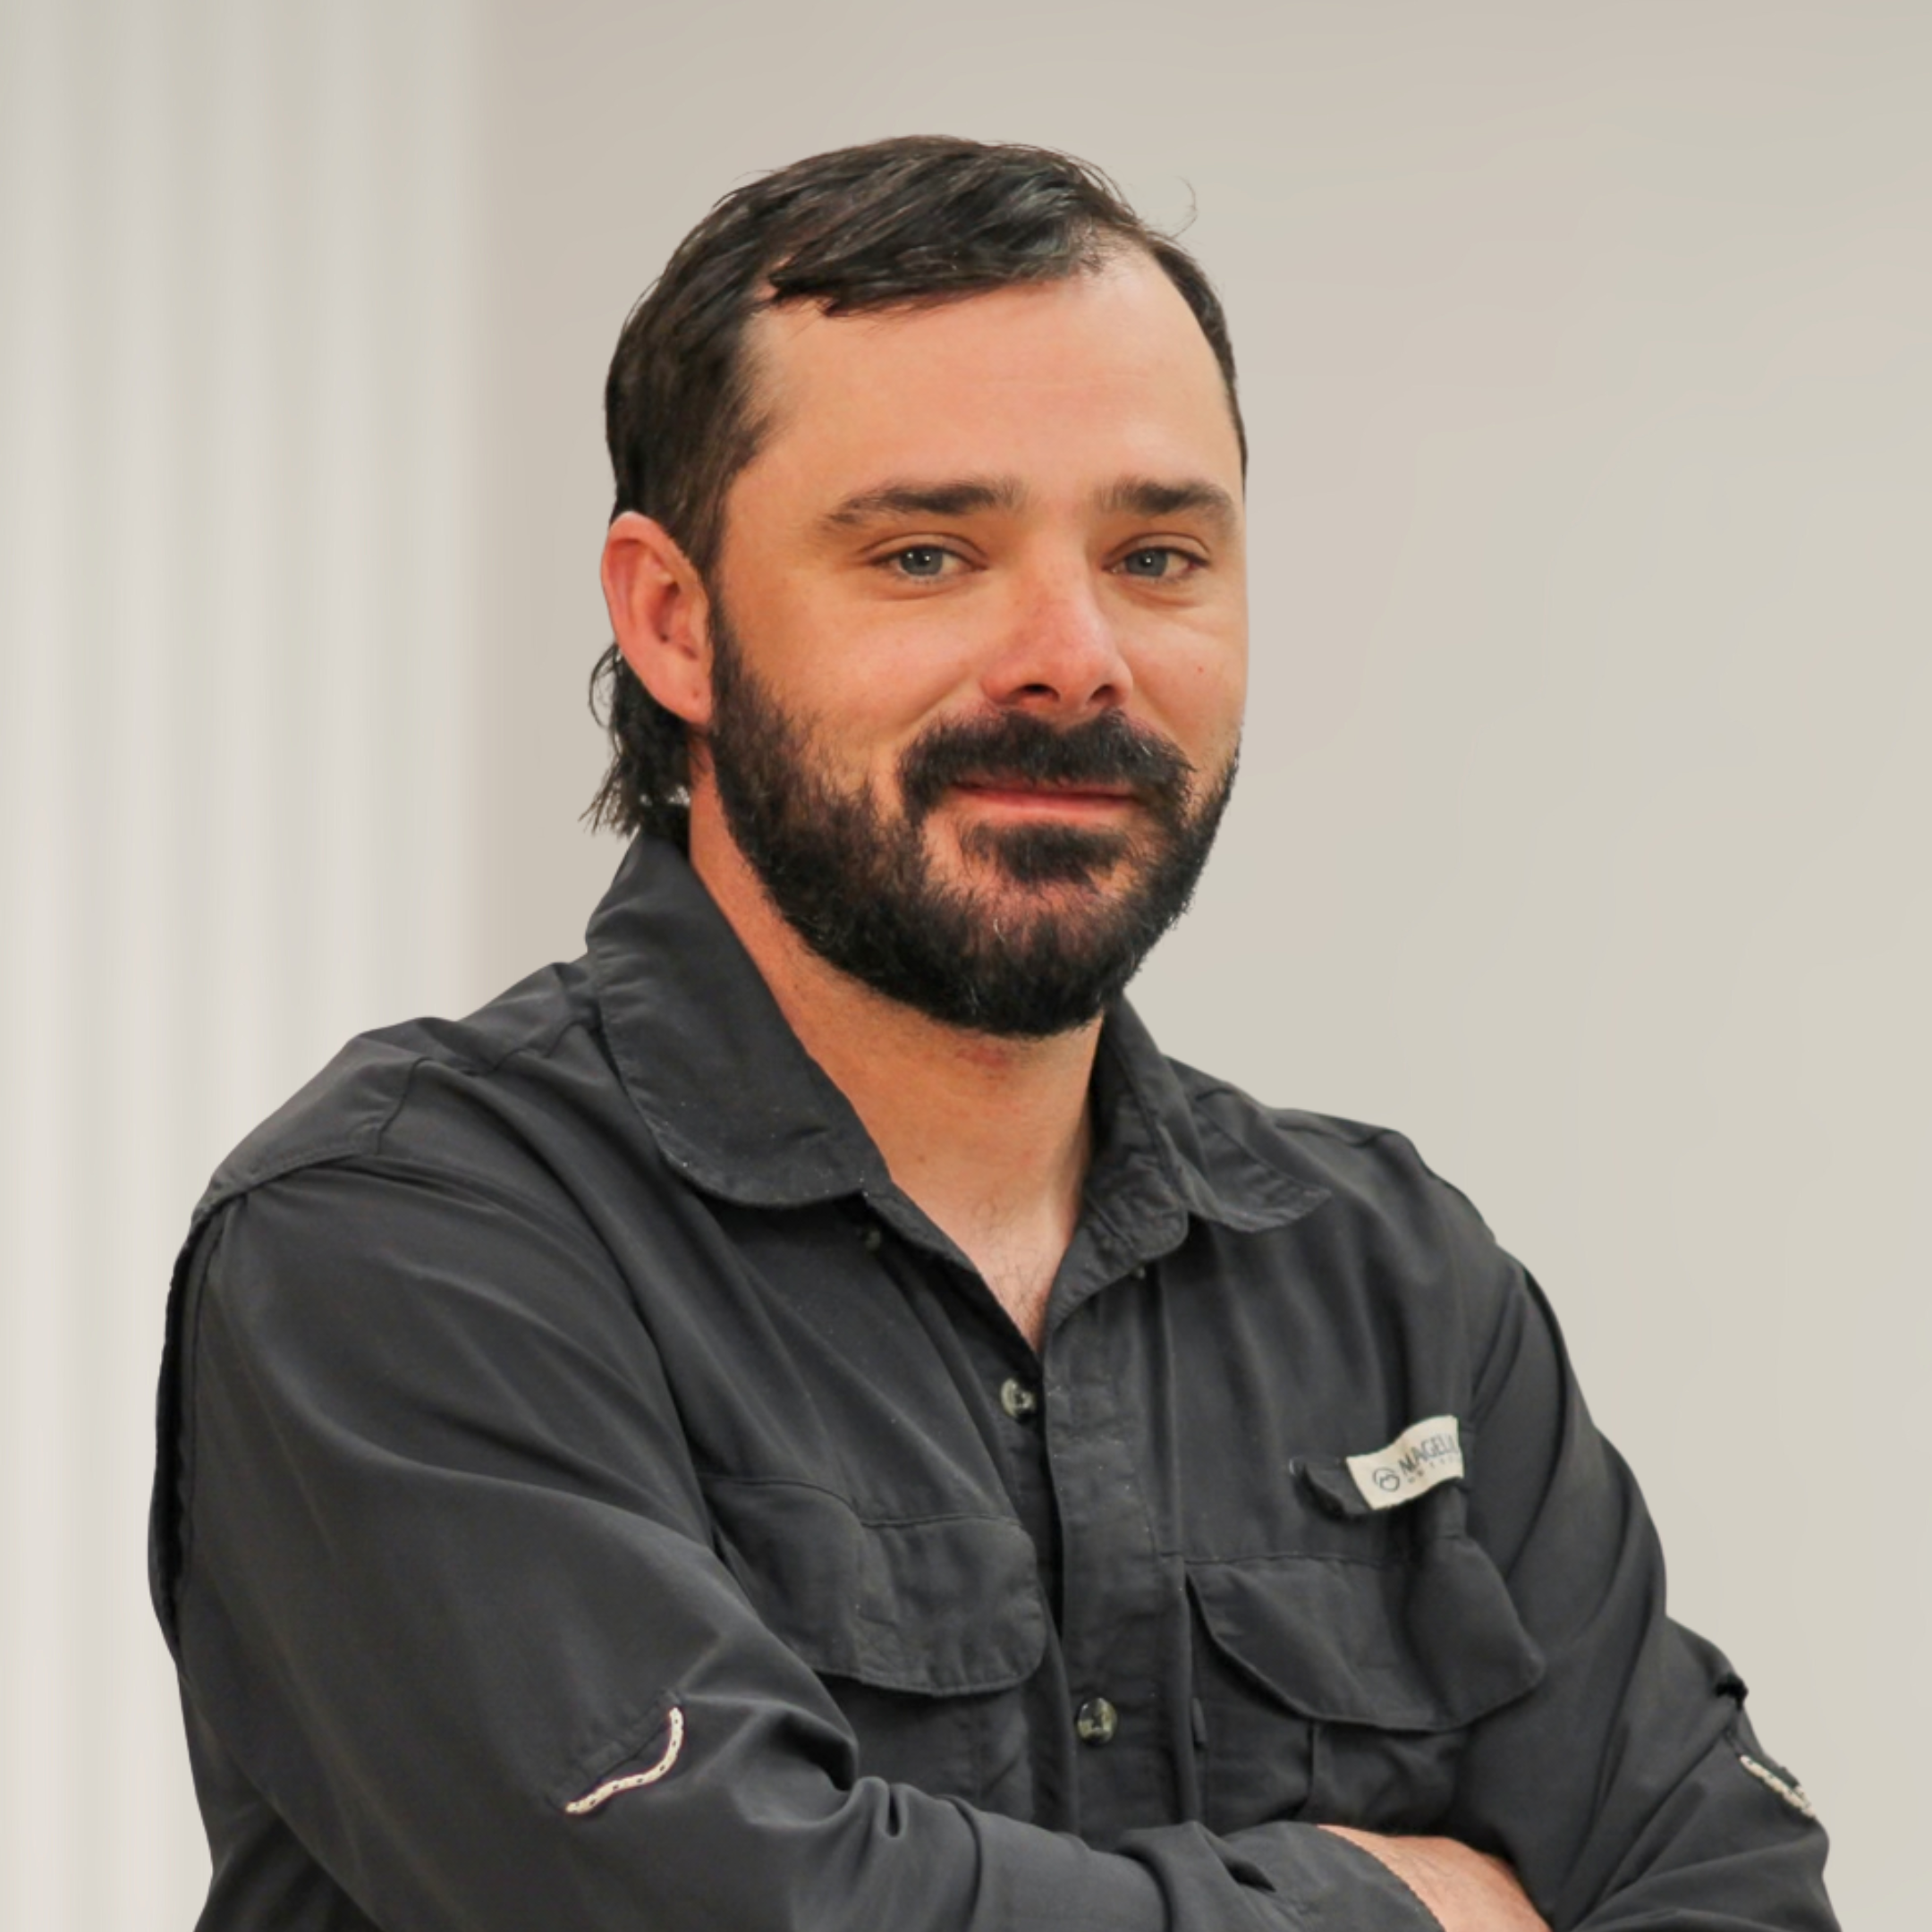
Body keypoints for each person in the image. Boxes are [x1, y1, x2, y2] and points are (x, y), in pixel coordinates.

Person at [149, 137, 1837, 1931]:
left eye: (1158, 551)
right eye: (931, 552)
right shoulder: (407, 1243)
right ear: (673, 618)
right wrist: (1393, 1909)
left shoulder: (1389, 1281)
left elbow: (1724, 1894)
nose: (1073, 655)